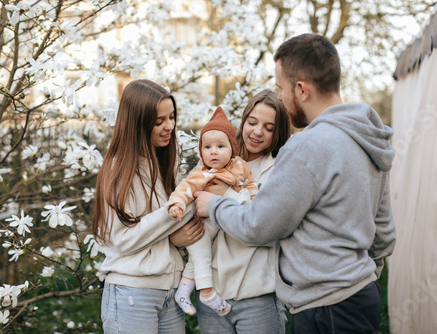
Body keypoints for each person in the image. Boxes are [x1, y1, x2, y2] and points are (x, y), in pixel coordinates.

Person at [195, 33, 396, 333]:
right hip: (361, 298)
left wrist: (213, 204)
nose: (279, 98)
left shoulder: (306, 147)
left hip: (324, 308)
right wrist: (361, 277)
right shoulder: (368, 136)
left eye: (280, 89)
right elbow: (384, 235)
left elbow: (259, 226)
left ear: (301, 89)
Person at [172, 89, 291, 333]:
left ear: (278, 133)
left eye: (269, 128)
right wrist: (177, 237)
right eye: (252, 122)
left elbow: (269, 230)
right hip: (212, 296)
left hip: (256, 296)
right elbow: (186, 208)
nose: (257, 132)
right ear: (243, 121)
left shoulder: (280, 170)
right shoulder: (212, 159)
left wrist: (222, 197)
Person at [93, 79, 204, 334]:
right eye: (159, 122)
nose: (170, 127)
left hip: (169, 292)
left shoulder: (163, 164)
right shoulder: (118, 170)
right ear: (138, 123)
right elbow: (124, 239)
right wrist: (186, 204)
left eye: (172, 117)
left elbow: (169, 229)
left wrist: (174, 239)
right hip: (132, 293)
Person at [168, 106, 258, 317]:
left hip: (223, 223)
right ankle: (206, 292)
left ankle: (184, 289)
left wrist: (253, 198)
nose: (213, 151)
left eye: (220, 146)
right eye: (207, 147)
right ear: (201, 152)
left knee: (200, 258)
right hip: (202, 226)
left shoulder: (240, 167)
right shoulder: (201, 174)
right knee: (201, 253)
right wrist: (177, 204)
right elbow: (184, 190)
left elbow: (251, 183)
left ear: (232, 149)